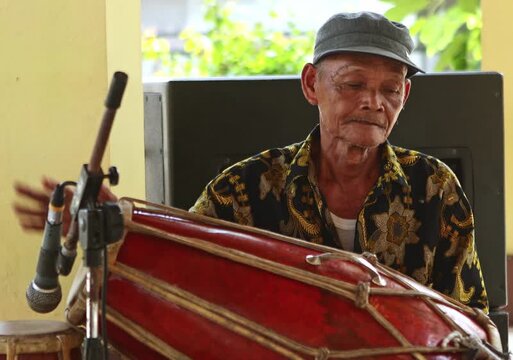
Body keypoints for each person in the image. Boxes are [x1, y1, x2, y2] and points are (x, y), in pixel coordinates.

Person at [14, 11, 488, 312]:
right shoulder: (243, 188)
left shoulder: (435, 189)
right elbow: (181, 260)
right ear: (310, 85)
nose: (373, 102)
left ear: (405, 95)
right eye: (352, 84)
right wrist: (115, 219)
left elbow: (470, 319)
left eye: (390, 89)